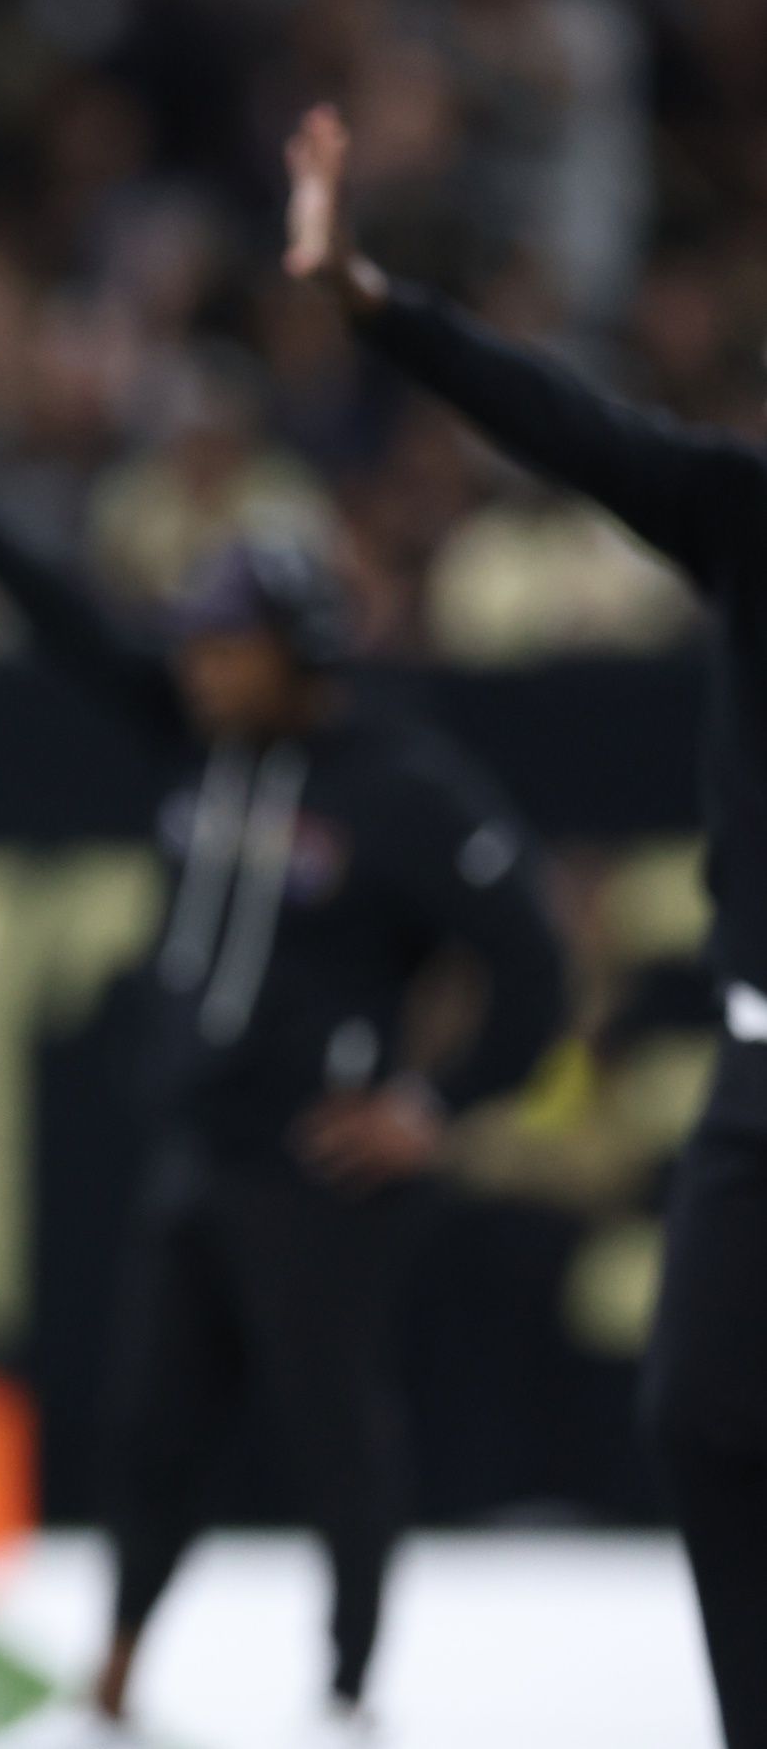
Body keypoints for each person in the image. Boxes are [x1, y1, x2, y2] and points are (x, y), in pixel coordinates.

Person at [0, 475, 567, 1744]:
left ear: (300, 647)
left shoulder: (399, 785)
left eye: (228, 645)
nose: (200, 669)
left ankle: (348, 1683)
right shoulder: (197, 740)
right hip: (197, 1148)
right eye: (195, 645)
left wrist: (428, 1106)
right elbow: (75, 626)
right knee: (149, 1425)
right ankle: (116, 1659)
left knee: (330, 1428)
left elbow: (530, 959)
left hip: (317, 1164)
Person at [285, 101, 767, 1749]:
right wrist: (376, 303)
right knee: (701, 1410)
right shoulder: (749, 512)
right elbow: (574, 430)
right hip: (758, 1067)